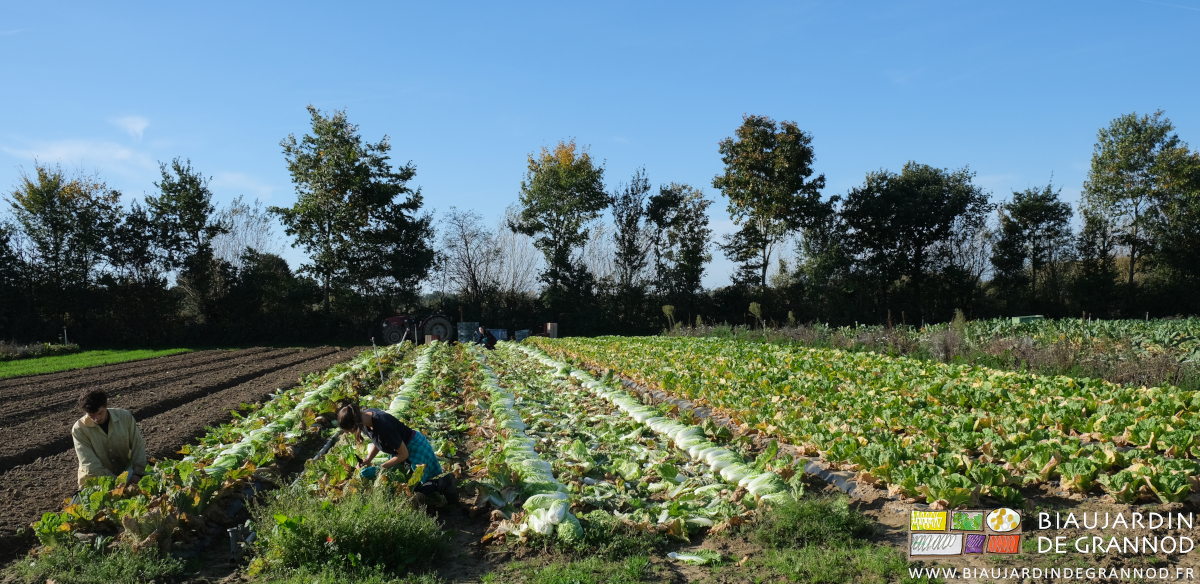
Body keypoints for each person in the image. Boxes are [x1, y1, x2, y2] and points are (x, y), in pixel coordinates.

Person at [337, 404, 443, 478]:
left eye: (351, 431)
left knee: (415, 486)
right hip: (401, 448)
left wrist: (379, 469)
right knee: (401, 479)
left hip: (415, 448)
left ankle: (443, 483)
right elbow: (377, 440)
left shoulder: (384, 426)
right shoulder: (364, 420)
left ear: (356, 424)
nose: (352, 434)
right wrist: (368, 459)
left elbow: (404, 454)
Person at [72, 390, 147, 489]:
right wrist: (117, 483)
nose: (97, 419)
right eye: (92, 416)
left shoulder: (125, 417)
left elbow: (138, 446)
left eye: (100, 413)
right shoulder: (79, 429)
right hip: (96, 480)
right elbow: (90, 464)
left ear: (106, 405)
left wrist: (138, 474)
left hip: (123, 473)